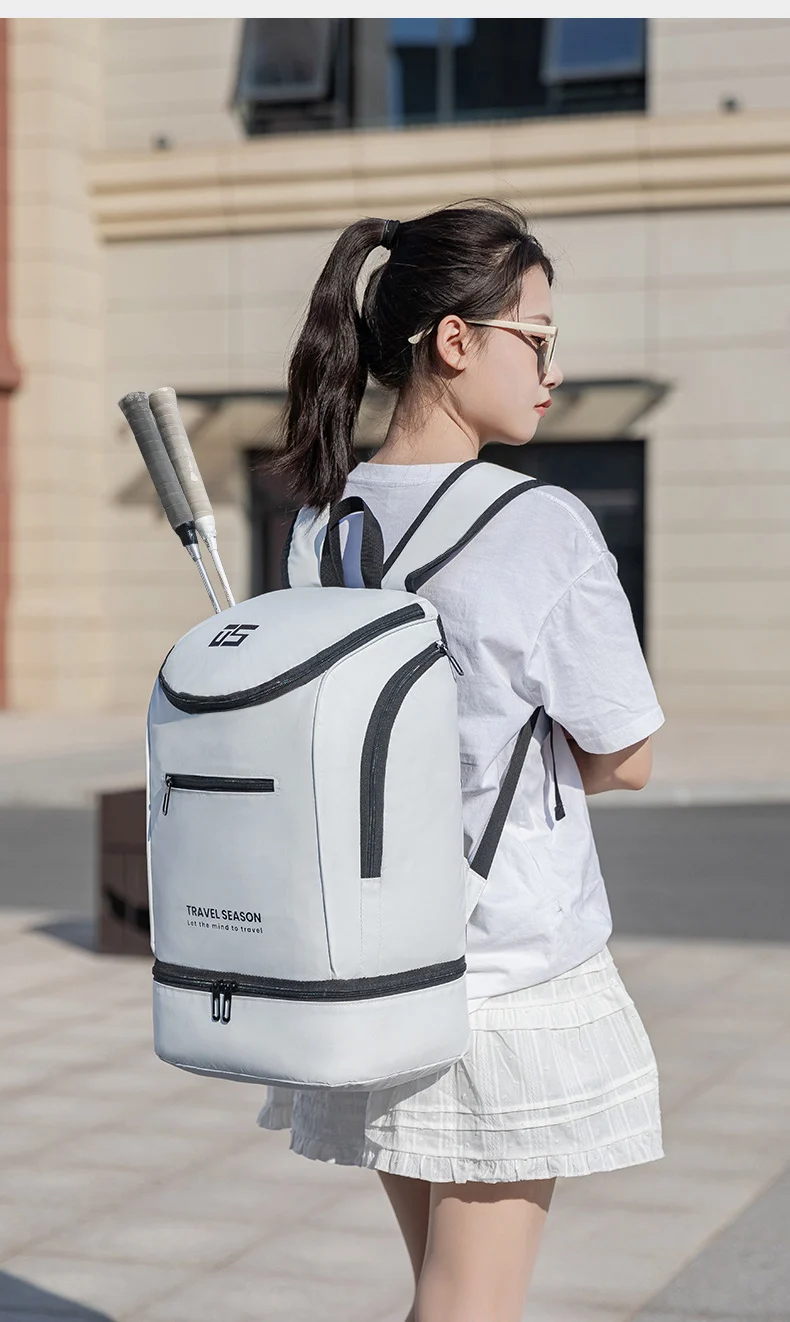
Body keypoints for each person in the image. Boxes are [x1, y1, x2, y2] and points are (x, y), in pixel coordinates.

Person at [258, 199, 664, 1322]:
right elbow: (628, 751)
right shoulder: (540, 525)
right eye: (535, 337)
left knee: (442, 1289)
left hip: (372, 957)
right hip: (503, 966)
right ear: (453, 339)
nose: (552, 368)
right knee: (472, 1305)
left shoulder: (322, 526)